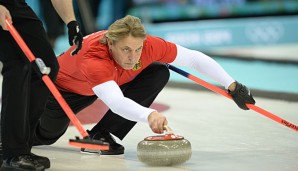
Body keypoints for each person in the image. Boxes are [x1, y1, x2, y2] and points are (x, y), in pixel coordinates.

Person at [33, 15, 255, 156]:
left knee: (158, 71)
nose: (133, 57)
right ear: (110, 43)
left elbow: (193, 59)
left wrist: (233, 85)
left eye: (137, 49)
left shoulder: (148, 46)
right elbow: (116, 102)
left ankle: (103, 135)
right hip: (62, 88)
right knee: (46, 135)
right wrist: (149, 115)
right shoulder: (94, 59)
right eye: (126, 50)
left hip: (100, 84)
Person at [0, 0, 83, 170]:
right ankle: (12, 152)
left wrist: (71, 21)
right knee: (18, 65)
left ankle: (20, 145)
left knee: (46, 65)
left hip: (15, 5)